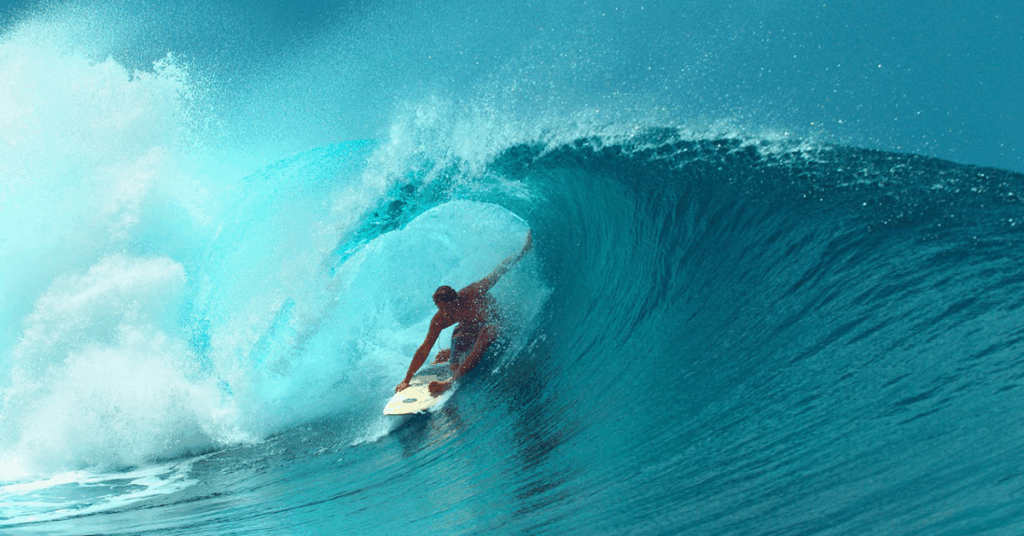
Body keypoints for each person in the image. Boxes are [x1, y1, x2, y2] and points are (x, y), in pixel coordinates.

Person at [395, 230, 533, 396]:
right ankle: (451, 355)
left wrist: (524, 250)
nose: (446, 313)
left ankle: (449, 382)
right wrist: (406, 380)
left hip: (495, 323)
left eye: (448, 308)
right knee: (454, 363)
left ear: (456, 300)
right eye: (441, 309)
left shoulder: (472, 293)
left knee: (488, 331)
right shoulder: (441, 319)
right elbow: (424, 348)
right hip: (469, 327)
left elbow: (500, 270)